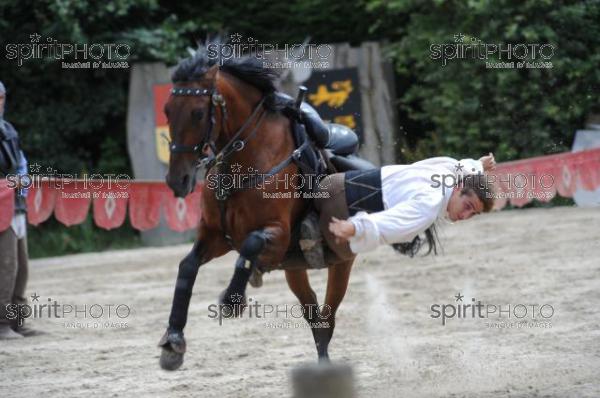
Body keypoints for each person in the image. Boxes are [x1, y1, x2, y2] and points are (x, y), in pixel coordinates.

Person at [299, 154, 497, 267]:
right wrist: (356, 228)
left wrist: (479, 165)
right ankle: (278, 259)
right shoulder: (430, 205)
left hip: (332, 183)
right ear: (458, 188)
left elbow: (463, 167)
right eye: (467, 207)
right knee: (341, 255)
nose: (464, 216)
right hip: (340, 208)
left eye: (473, 214)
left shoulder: (447, 170)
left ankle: (310, 215)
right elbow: (392, 223)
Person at [0, 80, 36, 339]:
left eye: (1, 98)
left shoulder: (8, 129)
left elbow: (21, 163)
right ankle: (2, 323)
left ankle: (17, 321)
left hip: (15, 203)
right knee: (6, 265)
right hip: (0, 204)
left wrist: (22, 186)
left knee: (22, 266)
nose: (0, 103)